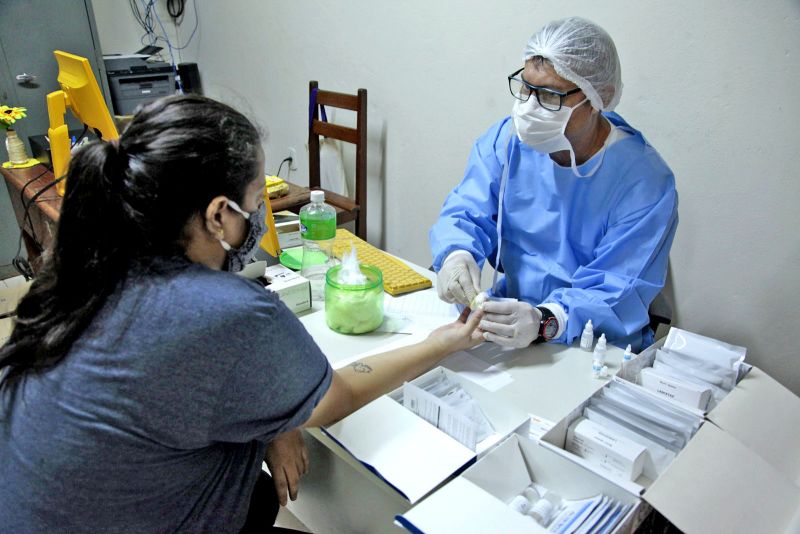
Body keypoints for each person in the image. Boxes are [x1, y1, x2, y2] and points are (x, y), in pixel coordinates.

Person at [0, 95, 483, 533]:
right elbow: (337, 397)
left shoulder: (79, 272)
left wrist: (276, 420)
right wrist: (441, 343)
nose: (258, 219)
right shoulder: (228, 313)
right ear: (217, 215)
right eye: (256, 204)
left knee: (252, 496)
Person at [430, 16, 678, 351]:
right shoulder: (507, 141)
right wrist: (456, 254)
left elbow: (618, 289)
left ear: (597, 98)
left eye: (550, 96)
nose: (529, 107)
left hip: (591, 344)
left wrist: (546, 319)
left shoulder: (642, 181)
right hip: (505, 324)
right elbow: (467, 210)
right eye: (527, 87)